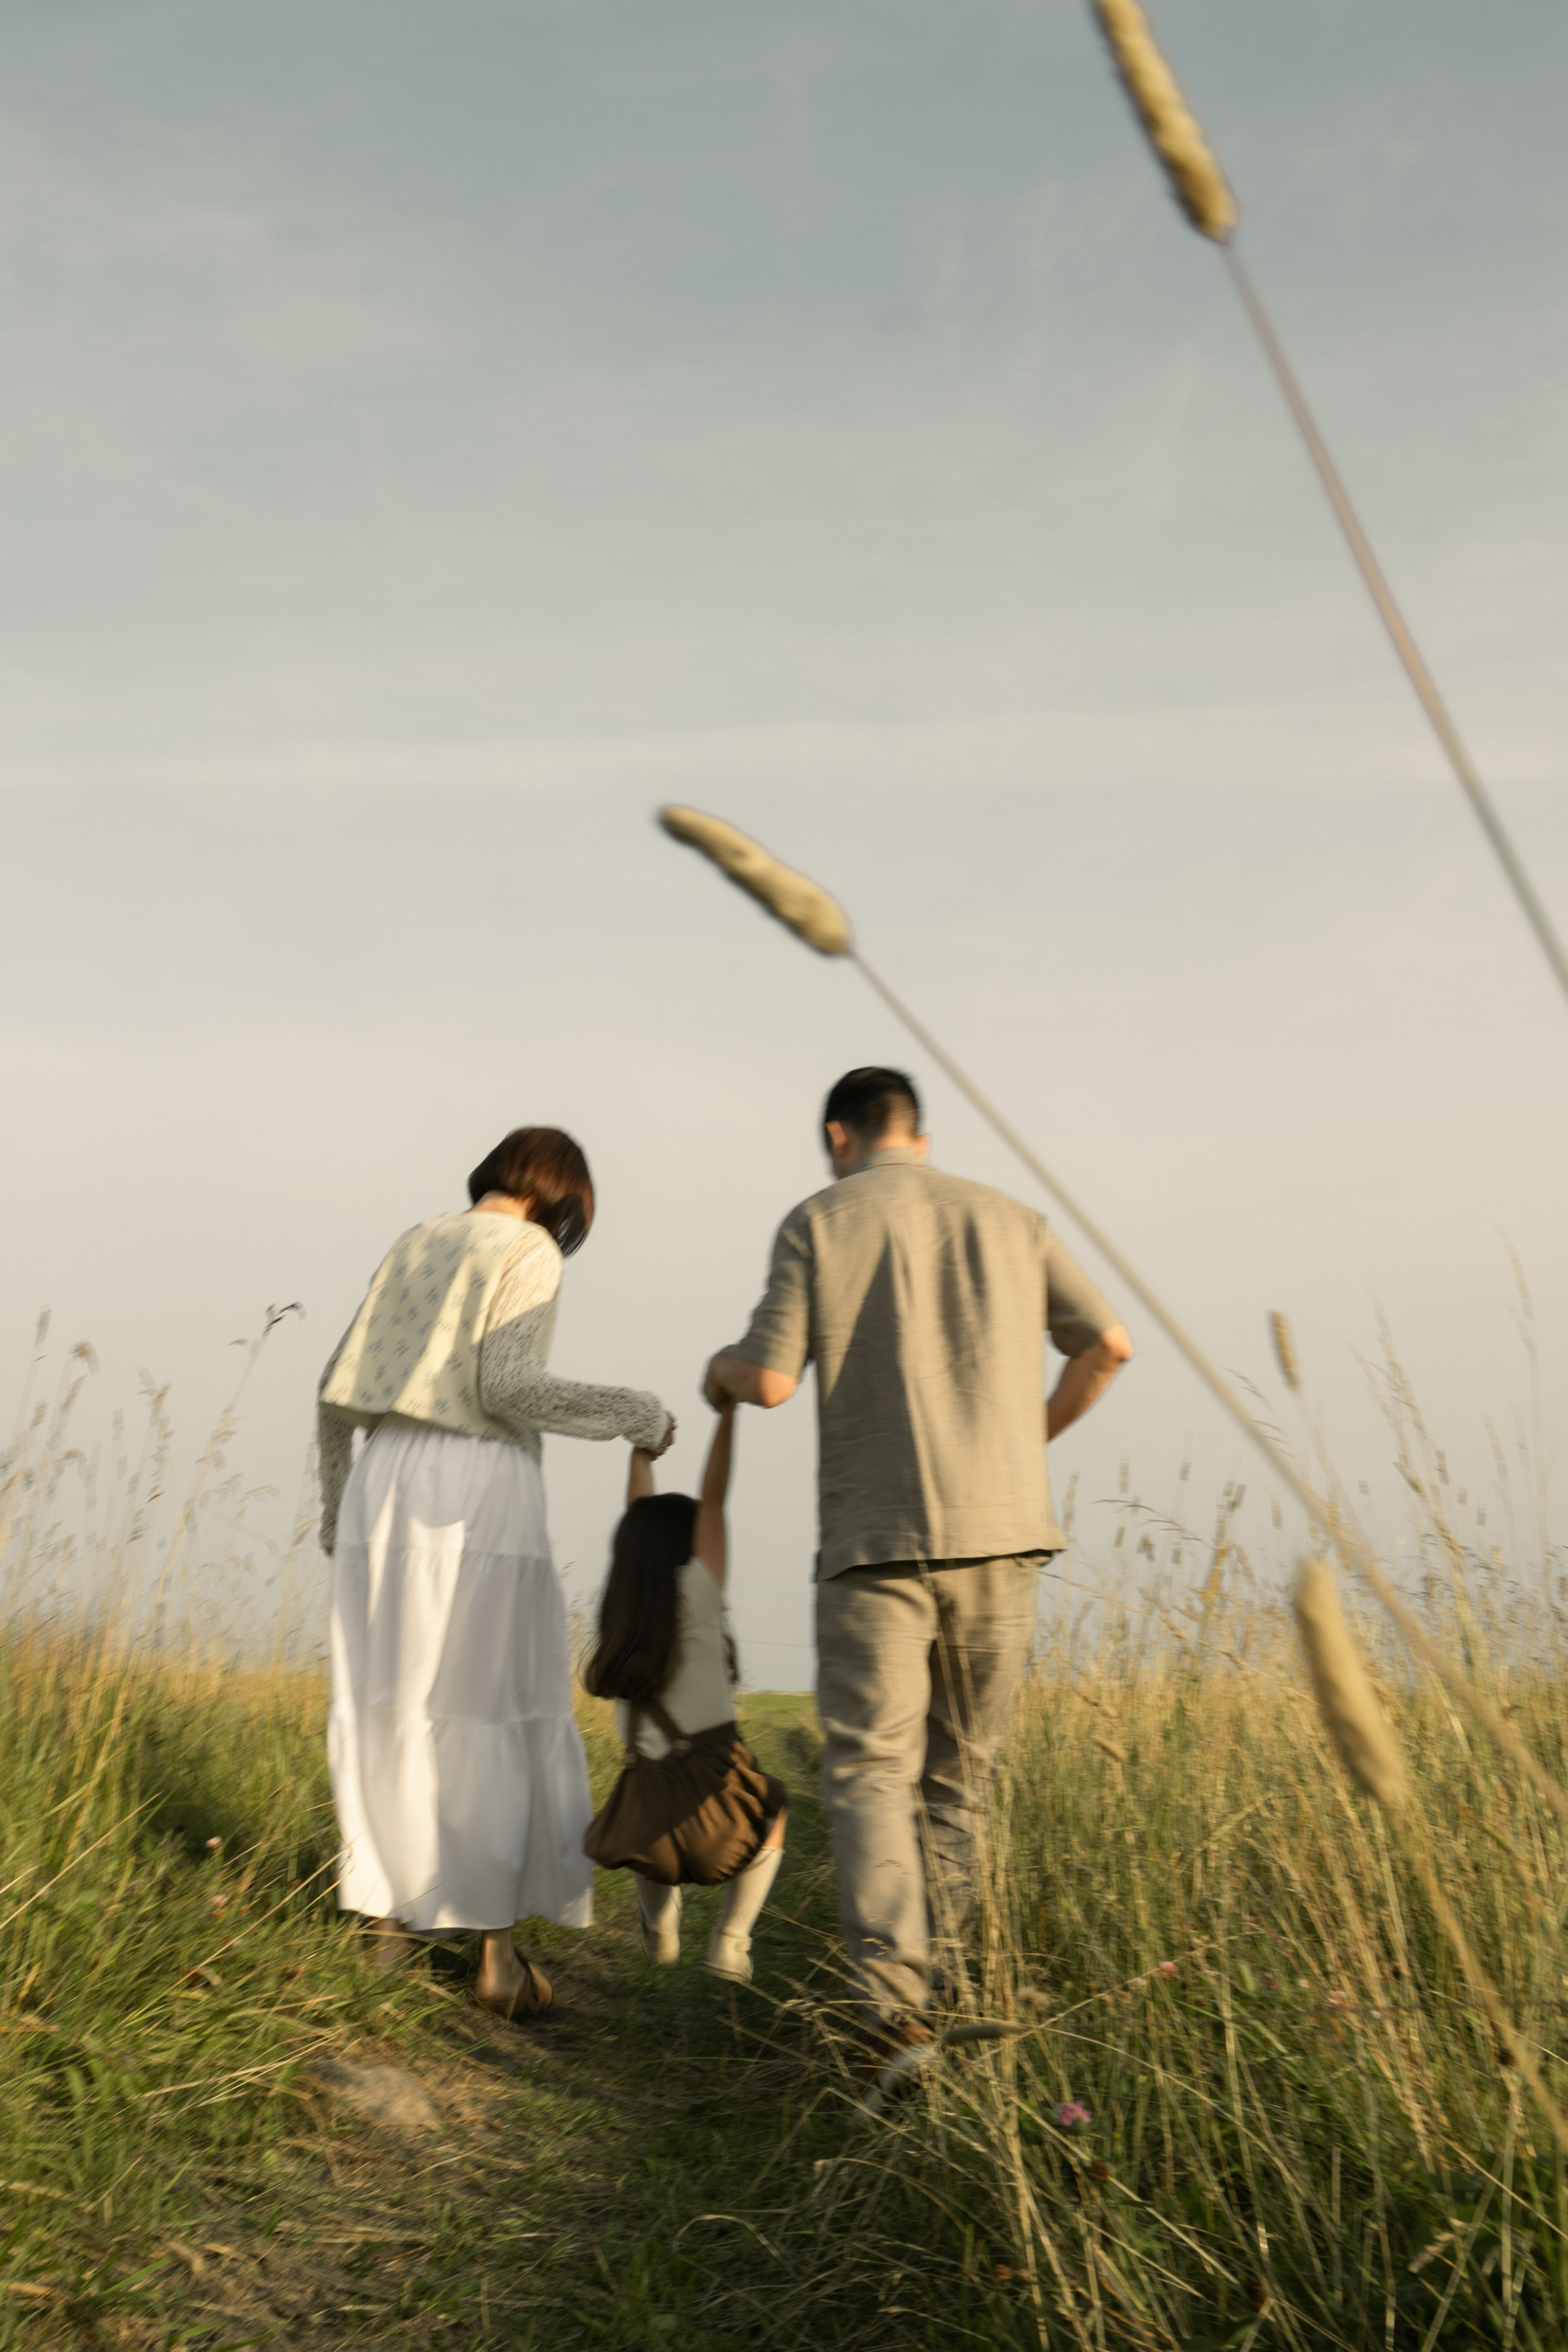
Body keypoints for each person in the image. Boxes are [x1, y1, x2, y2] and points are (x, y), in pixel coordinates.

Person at [702, 1068, 1132, 2059]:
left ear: (837, 1135)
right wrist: (1022, 1446)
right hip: (1005, 1534)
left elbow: (770, 1379)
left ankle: (898, 2018)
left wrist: (717, 1372)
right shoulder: (1014, 1218)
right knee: (960, 1780)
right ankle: (949, 1988)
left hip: (876, 1543)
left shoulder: (819, 1219)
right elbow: (1108, 1345)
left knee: (870, 1772)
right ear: (920, 1135)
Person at [318, 1126, 675, 2019]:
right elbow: (507, 1386)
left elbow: (334, 1388)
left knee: (391, 1704)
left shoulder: (416, 1240)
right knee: (492, 1705)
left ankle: (387, 1932)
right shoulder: (530, 1250)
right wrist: (634, 1412)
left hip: (383, 1482)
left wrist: (335, 1512)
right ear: (562, 1196)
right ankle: (496, 1959)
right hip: (477, 1487)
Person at [581, 1404, 786, 1984]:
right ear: (689, 1550)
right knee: (772, 1805)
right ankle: (731, 1942)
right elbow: (714, 1501)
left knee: (649, 1812)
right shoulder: (699, 1593)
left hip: (644, 1837)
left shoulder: (623, 1624)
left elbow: (638, 1522)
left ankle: (661, 1928)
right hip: (720, 1829)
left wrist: (641, 1453)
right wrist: (728, 1414)